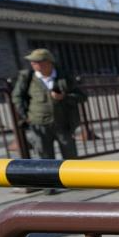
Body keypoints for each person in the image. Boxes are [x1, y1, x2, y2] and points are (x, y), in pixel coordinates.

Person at [11, 48, 87, 176]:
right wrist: (25, 115)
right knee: (44, 156)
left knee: (70, 154)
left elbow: (82, 96)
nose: (33, 64)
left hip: (63, 122)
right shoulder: (27, 77)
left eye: (37, 61)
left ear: (48, 62)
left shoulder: (64, 76)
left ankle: (73, 179)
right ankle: (50, 182)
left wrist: (64, 97)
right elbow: (17, 97)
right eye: (32, 61)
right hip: (39, 123)